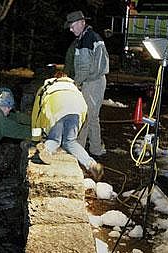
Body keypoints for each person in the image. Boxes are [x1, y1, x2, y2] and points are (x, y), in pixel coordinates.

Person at [32, 70, 104, 180]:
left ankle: (46, 150)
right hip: (77, 111)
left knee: (55, 140)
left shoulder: (46, 88)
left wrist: (36, 138)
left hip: (57, 109)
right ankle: (91, 164)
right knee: (70, 141)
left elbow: (36, 114)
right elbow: (84, 112)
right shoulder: (74, 88)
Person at [64, 10, 109, 157]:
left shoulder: (86, 40)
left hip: (92, 83)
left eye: (72, 25)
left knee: (86, 116)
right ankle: (95, 148)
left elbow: (84, 68)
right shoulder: (90, 37)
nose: (70, 29)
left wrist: (75, 84)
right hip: (95, 81)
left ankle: (79, 149)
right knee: (92, 116)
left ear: (82, 22)